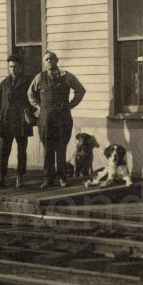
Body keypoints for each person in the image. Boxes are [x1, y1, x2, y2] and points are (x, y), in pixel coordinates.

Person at [27, 50, 86, 188]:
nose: (49, 61)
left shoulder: (66, 76)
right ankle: (49, 178)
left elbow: (80, 90)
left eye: (51, 59)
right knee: (48, 148)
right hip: (45, 118)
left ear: (57, 60)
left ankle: (62, 177)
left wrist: (71, 104)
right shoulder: (39, 77)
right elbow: (30, 93)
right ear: (44, 62)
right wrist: (39, 106)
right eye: (46, 59)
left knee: (61, 148)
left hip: (63, 117)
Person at [0, 53, 33, 190]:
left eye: (15, 66)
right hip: (6, 122)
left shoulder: (29, 82)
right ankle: (1, 178)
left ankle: (20, 178)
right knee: (3, 151)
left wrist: (30, 114)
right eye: (10, 67)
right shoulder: (4, 83)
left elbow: (34, 100)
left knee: (21, 151)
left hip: (22, 122)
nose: (13, 69)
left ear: (20, 67)